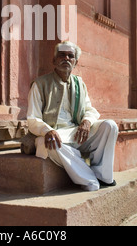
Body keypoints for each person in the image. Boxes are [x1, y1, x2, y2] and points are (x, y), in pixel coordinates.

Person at [27, 41, 118, 192]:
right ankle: (89, 180)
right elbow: (32, 118)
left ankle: (103, 176)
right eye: (62, 55)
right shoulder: (40, 84)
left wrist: (86, 122)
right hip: (52, 134)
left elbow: (89, 109)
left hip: (76, 133)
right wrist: (47, 130)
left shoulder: (79, 84)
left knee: (110, 125)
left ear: (76, 62)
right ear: (54, 60)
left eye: (71, 56)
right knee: (52, 142)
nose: (66, 58)